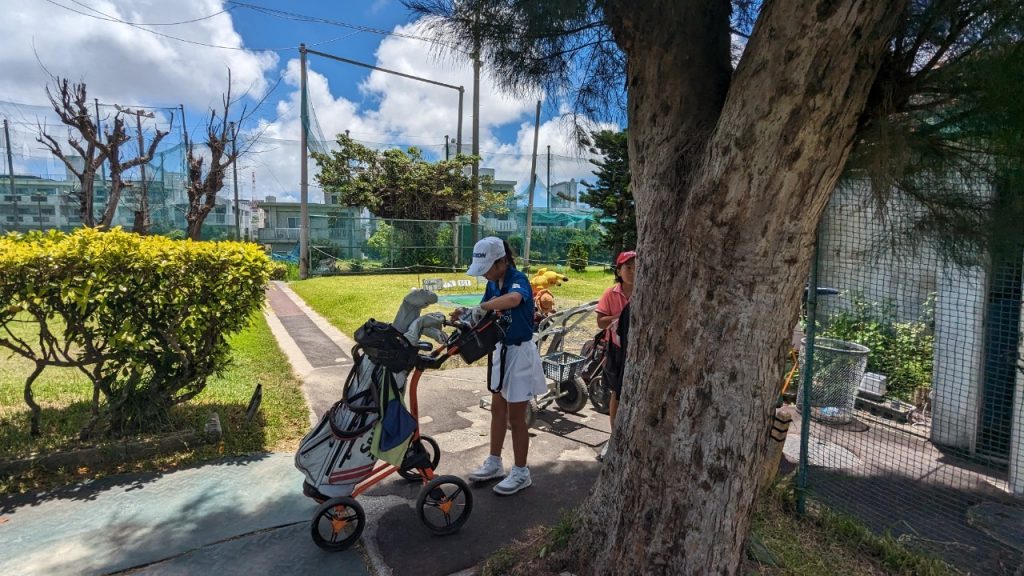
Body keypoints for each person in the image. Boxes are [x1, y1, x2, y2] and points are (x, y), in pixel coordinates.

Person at [458, 236, 546, 495]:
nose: (484, 274)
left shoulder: (518, 279)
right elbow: (484, 313)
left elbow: (514, 300)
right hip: (500, 350)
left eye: (487, 268)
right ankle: (494, 462)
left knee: (516, 417)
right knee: (498, 409)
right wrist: (466, 315)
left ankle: (521, 472)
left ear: (502, 262)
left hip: (520, 354)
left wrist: (483, 306)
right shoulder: (492, 283)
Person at [595, 250, 636, 461]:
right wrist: (621, 317)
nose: (633, 271)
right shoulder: (611, 294)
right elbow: (600, 322)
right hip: (617, 349)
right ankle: (613, 437)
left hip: (637, 351)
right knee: (616, 393)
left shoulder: (647, 290)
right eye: (628, 267)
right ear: (619, 271)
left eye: (636, 267)